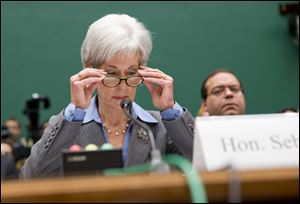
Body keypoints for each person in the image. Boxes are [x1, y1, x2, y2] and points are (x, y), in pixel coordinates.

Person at [20, 14, 194, 179]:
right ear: (89, 71)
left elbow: (208, 167)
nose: (123, 85)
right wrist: (76, 110)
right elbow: (31, 177)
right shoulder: (69, 127)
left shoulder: (159, 127)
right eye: (112, 74)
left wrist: (170, 109)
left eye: (132, 73)